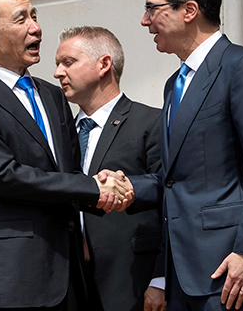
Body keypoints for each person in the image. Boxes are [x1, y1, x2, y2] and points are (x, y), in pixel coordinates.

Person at [0, 0, 132, 311]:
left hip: (64, 274)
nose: (36, 27)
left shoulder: (52, 95)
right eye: (21, 19)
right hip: (3, 280)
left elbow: (67, 174)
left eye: (35, 16)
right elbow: (4, 175)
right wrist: (92, 187)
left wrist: (106, 188)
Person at [106, 0, 243, 311]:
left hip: (229, 268)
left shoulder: (242, 66)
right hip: (182, 270)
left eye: (152, 9)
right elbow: (178, 178)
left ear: (189, 10)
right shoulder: (175, 84)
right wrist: (128, 186)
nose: (144, 21)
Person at [54, 26, 166, 311]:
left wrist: (161, 278)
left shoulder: (151, 123)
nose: (57, 73)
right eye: (57, 64)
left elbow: (173, 199)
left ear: (104, 64)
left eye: (68, 62)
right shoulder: (59, 135)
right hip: (69, 288)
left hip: (132, 283)